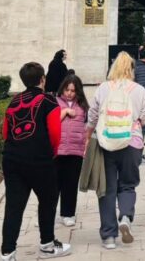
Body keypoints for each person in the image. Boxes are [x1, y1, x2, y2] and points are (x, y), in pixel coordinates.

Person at [0, 62, 71, 259]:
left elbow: (5, 132)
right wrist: (52, 154)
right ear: (42, 79)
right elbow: (55, 133)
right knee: (47, 201)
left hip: (12, 159)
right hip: (39, 159)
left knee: (14, 206)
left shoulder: (13, 102)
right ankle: (47, 245)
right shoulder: (48, 101)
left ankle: (7, 252)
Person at [86, 53, 145, 249]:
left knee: (106, 188)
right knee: (128, 185)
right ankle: (125, 216)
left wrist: (88, 133)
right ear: (131, 69)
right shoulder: (139, 90)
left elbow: (92, 115)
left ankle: (108, 236)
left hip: (106, 142)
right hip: (132, 143)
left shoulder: (103, 88)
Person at [54, 74, 88, 228]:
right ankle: (48, 213)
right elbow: (51, 123)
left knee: (71, 183)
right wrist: (66, 111)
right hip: (57, 150)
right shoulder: (54, 102)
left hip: (75, 150)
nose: (69, 93)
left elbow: (87, 126)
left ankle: (68, 213)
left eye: (73, 91)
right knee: (54, 185)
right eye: (67, 90)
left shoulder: (82, 106)